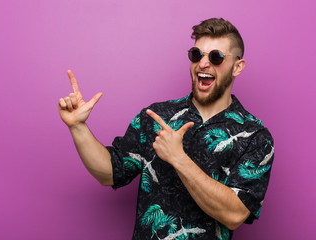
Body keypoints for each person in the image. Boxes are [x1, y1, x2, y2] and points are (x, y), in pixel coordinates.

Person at [58, 18, 274, 240]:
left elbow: (234, 214)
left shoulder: (255, 137)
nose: (203, 64)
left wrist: (177, 157)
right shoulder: (157, 116)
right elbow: (109, 173)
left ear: (237, 67)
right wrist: (77, 126)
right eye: (196, 55)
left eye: (216, 57)